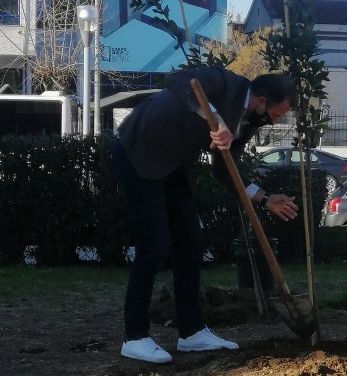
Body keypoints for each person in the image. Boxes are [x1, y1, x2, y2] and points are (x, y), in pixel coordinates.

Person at [111, 66, 299, 363]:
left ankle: (191, 332)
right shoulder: (224, 82)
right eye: (275, 114)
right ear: (261, 100)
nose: (274, 121)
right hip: (139, 149)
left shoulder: (247, 124)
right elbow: (177, 80)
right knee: (154, 244)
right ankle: (135, 337)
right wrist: (217, 119)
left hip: (174, 165)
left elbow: (227, 171)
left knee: (191, 243)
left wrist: (265, 199)